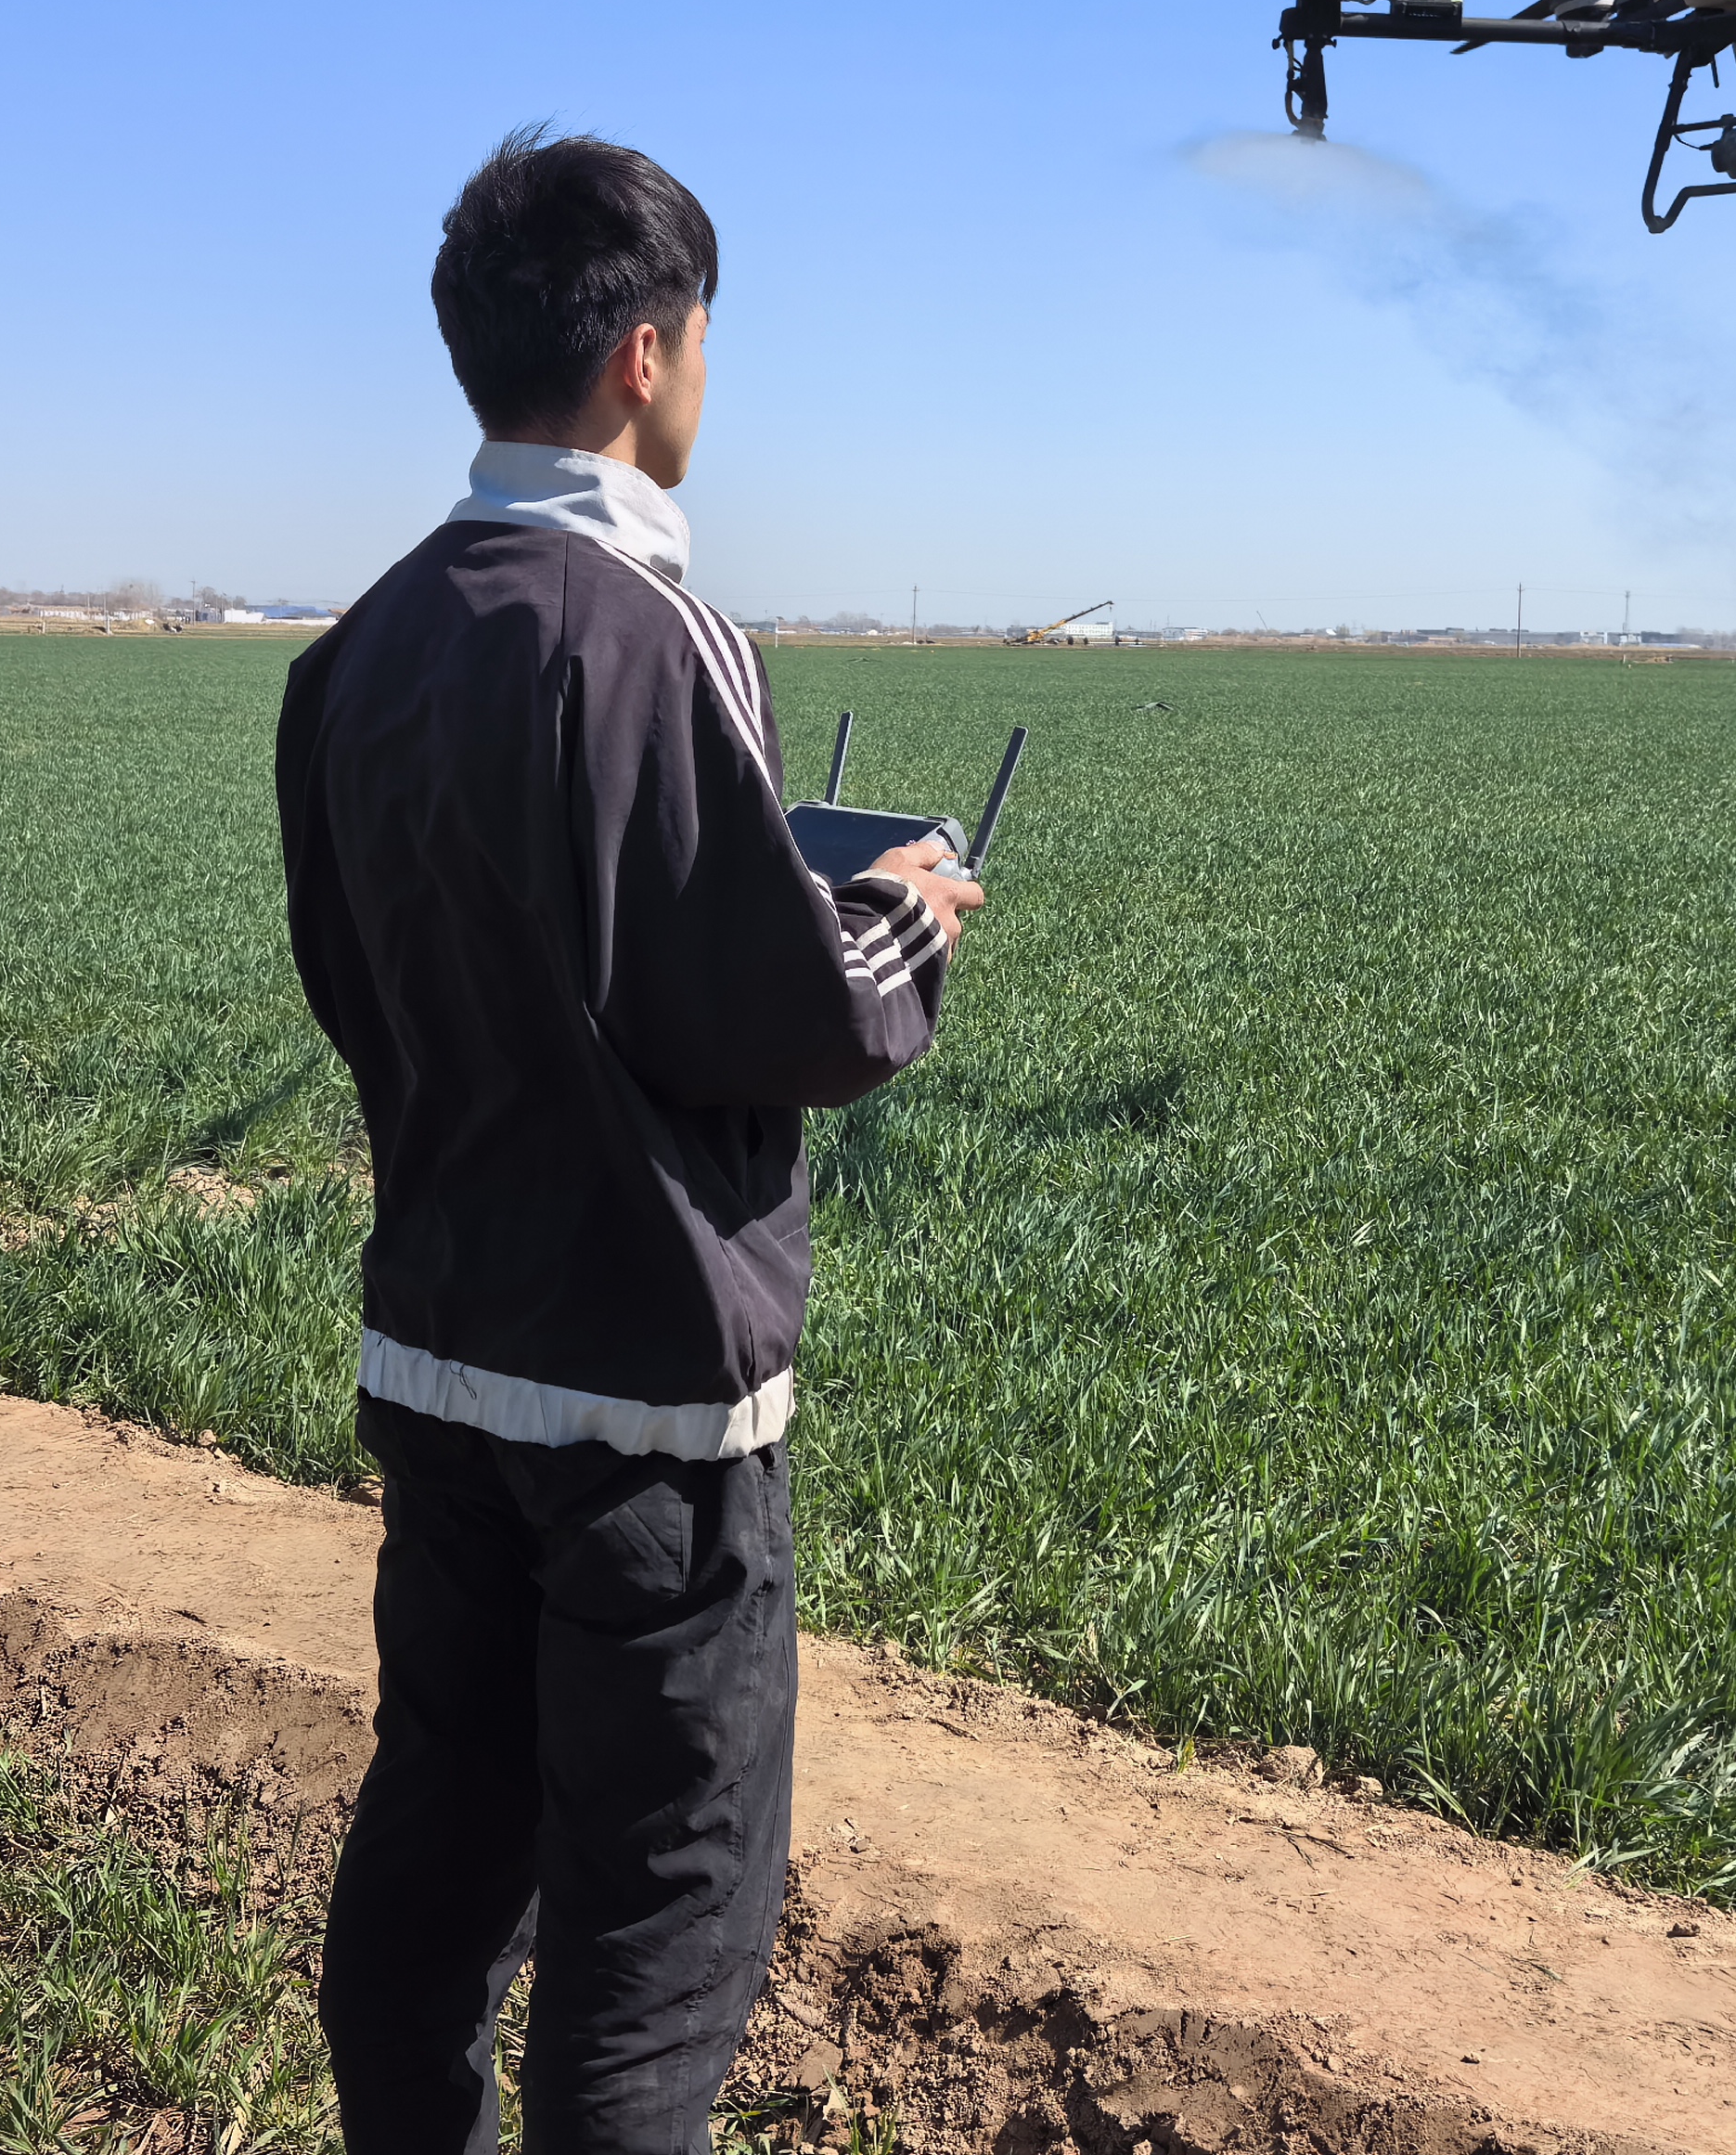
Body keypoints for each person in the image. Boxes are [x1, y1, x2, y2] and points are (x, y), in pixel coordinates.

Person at [277, 127, 980, 2153]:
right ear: (646, 355)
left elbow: (354, 980)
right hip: (649, 1406)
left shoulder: (356, 652)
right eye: (704, 348)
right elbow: (780, 1013)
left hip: (437, 1355)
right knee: (658, 1914)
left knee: (440, 1832)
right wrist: (903, 924)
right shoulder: (657, 633)